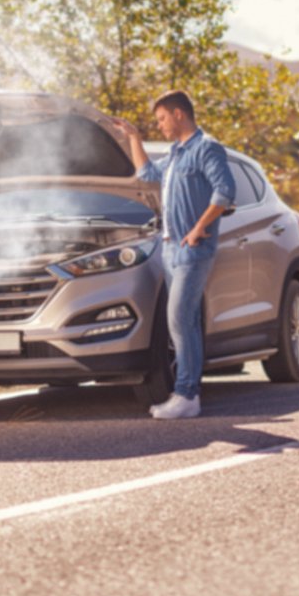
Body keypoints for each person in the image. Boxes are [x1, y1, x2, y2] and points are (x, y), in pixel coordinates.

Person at [112, 90, 236, 420]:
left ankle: (186, 394)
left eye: (162, 119)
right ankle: (188, 394)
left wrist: (198, 229)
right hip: (170, 250)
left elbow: (225, 192)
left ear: (179, 114)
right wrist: (134, 138)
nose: (161, 126)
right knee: (185, 321)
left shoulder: (205, 148)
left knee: (179, 319)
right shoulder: (177, 154)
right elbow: (147, 175)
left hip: (193, 249)